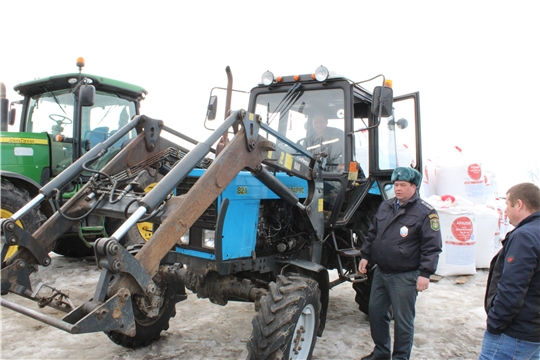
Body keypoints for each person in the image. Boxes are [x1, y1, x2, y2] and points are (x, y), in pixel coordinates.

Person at [358, 167, 442, 360]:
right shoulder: (385, 206)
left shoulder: (425, 212)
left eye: (403, 185)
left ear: (414, 186)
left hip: (405, 276)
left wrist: (425, 274)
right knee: (376, 314)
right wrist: (365, 256)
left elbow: (432, 246)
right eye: (396, 185)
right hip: (381, 272)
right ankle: (381, 352)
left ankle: (400, 357)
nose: (398, 189)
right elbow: (373, 234)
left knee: (403, 322)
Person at [478, 182, 540, 360]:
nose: (505, 210)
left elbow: (512, 288)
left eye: (507, 204)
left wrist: (495, 323)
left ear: (519, 204)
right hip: (533, 332)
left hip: (514, 334)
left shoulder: (525, 236)